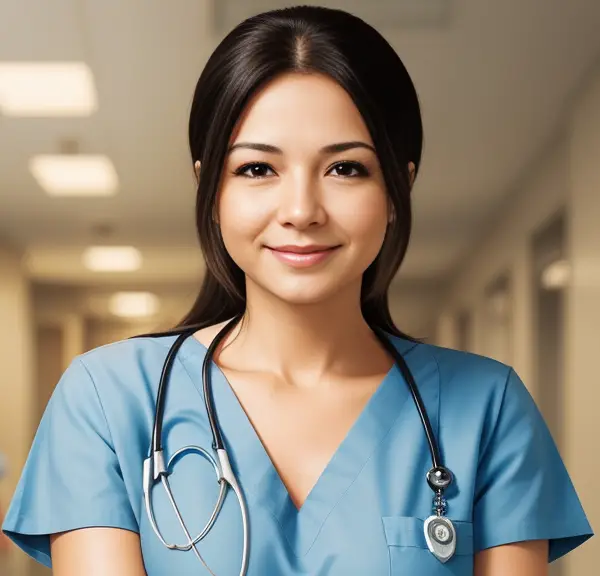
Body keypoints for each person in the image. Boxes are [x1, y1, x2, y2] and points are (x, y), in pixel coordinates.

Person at [1, 5, 594, 575]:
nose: (302, 210)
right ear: (209, 189)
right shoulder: (108, 400)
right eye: (257, 169)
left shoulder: (487, 409)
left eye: (346, 168)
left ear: (397, 191)